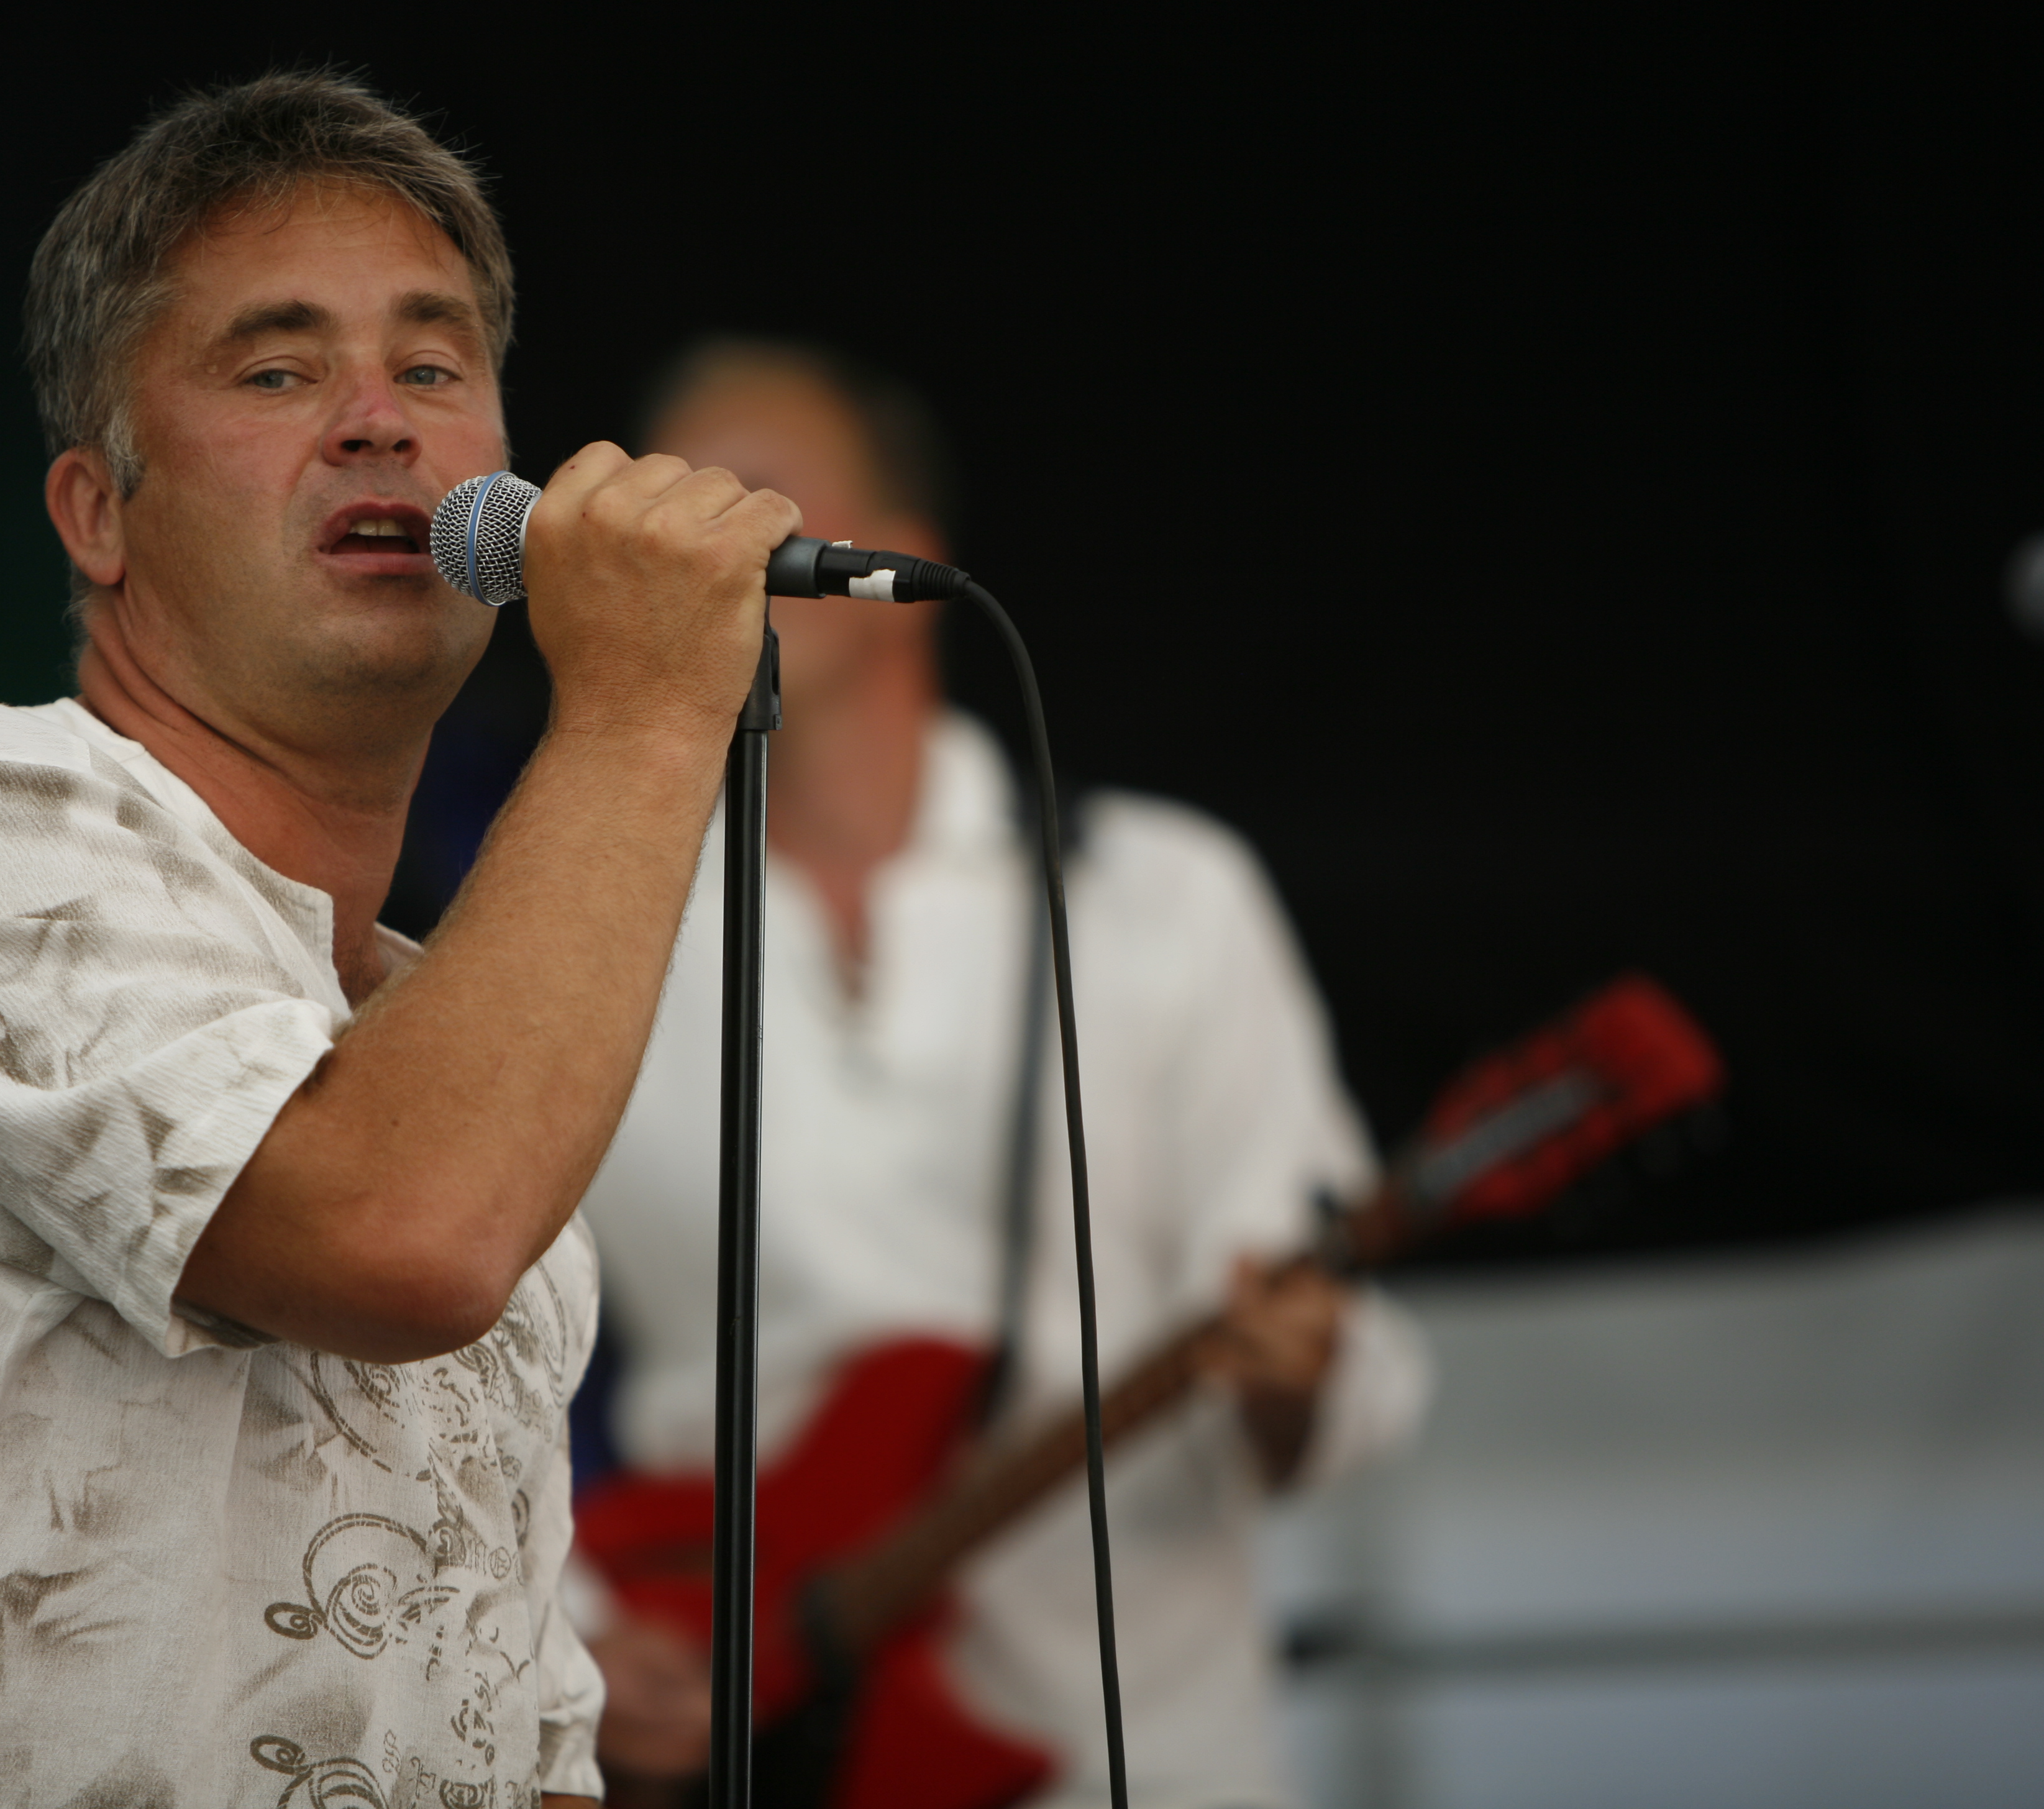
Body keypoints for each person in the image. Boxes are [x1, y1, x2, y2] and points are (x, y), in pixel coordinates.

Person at [0, 75, 804, 1808]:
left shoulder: (478, 1085)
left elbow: (518, 1739)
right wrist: (642, 710)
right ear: (97, 512)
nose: (378, 421)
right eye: (277, 370)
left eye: (434, 366)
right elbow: (403, 1233)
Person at [571, 340, 1433, 1808]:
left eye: (757, 489)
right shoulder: (587, 925)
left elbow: (1335, 1357)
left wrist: (1297, 1380)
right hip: (758, 1728)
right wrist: (575, 1636)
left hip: (1154, 1749)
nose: (706, 535)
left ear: (901, 554)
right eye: (670, 504)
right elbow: (450, 1363)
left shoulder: (1164, 892)